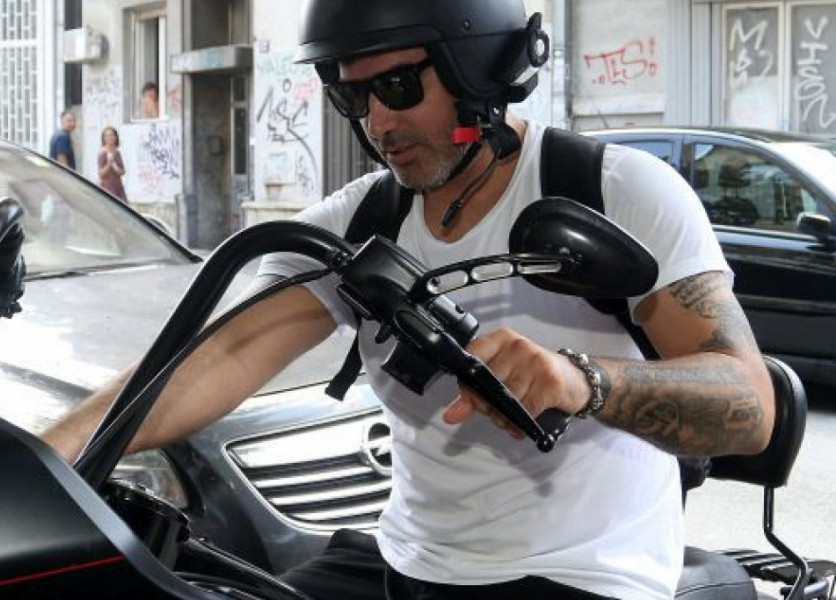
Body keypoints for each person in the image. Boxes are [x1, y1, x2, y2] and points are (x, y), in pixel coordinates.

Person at [42, 1, 775, 599]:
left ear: (477, 68)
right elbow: (222, 354)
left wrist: (582, 382)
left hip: (586, 574)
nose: (377, 122)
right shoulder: (358, 225)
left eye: (397, 87)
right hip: (410, 562)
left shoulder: (613, 191)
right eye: (352, 96)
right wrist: (40, 460)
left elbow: (749, 404)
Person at [97, 126, 128, 203]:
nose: (110, 138)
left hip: (118, 187)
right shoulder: (102, 153)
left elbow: (122, 171)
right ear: (104, 139)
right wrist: (109, 164)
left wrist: (115, 167)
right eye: (107, 136)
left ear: (116, 137)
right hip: (107, 188)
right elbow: (101, 174)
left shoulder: (117, 153)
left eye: (112, 135)